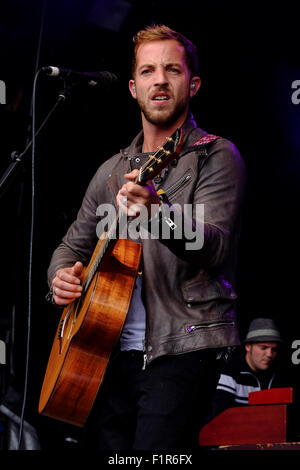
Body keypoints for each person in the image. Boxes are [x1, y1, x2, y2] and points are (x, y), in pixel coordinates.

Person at [46, 24, 246, 450]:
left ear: (191, 85)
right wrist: (60, 276)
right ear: (133, 88)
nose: (160, 80)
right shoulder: (111, 171)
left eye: (172, 70)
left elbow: (214, 245)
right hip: (105, 356)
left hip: (182, 347)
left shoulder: (215, 155)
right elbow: (70, 247)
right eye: (149, 71)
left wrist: (157, 211)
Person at [208, 317, 290, 420]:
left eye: (274, 349)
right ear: (248, 346)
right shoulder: (231, 372)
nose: (269, 354)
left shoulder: (279, 375)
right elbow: (218, 420)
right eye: (263, 348)